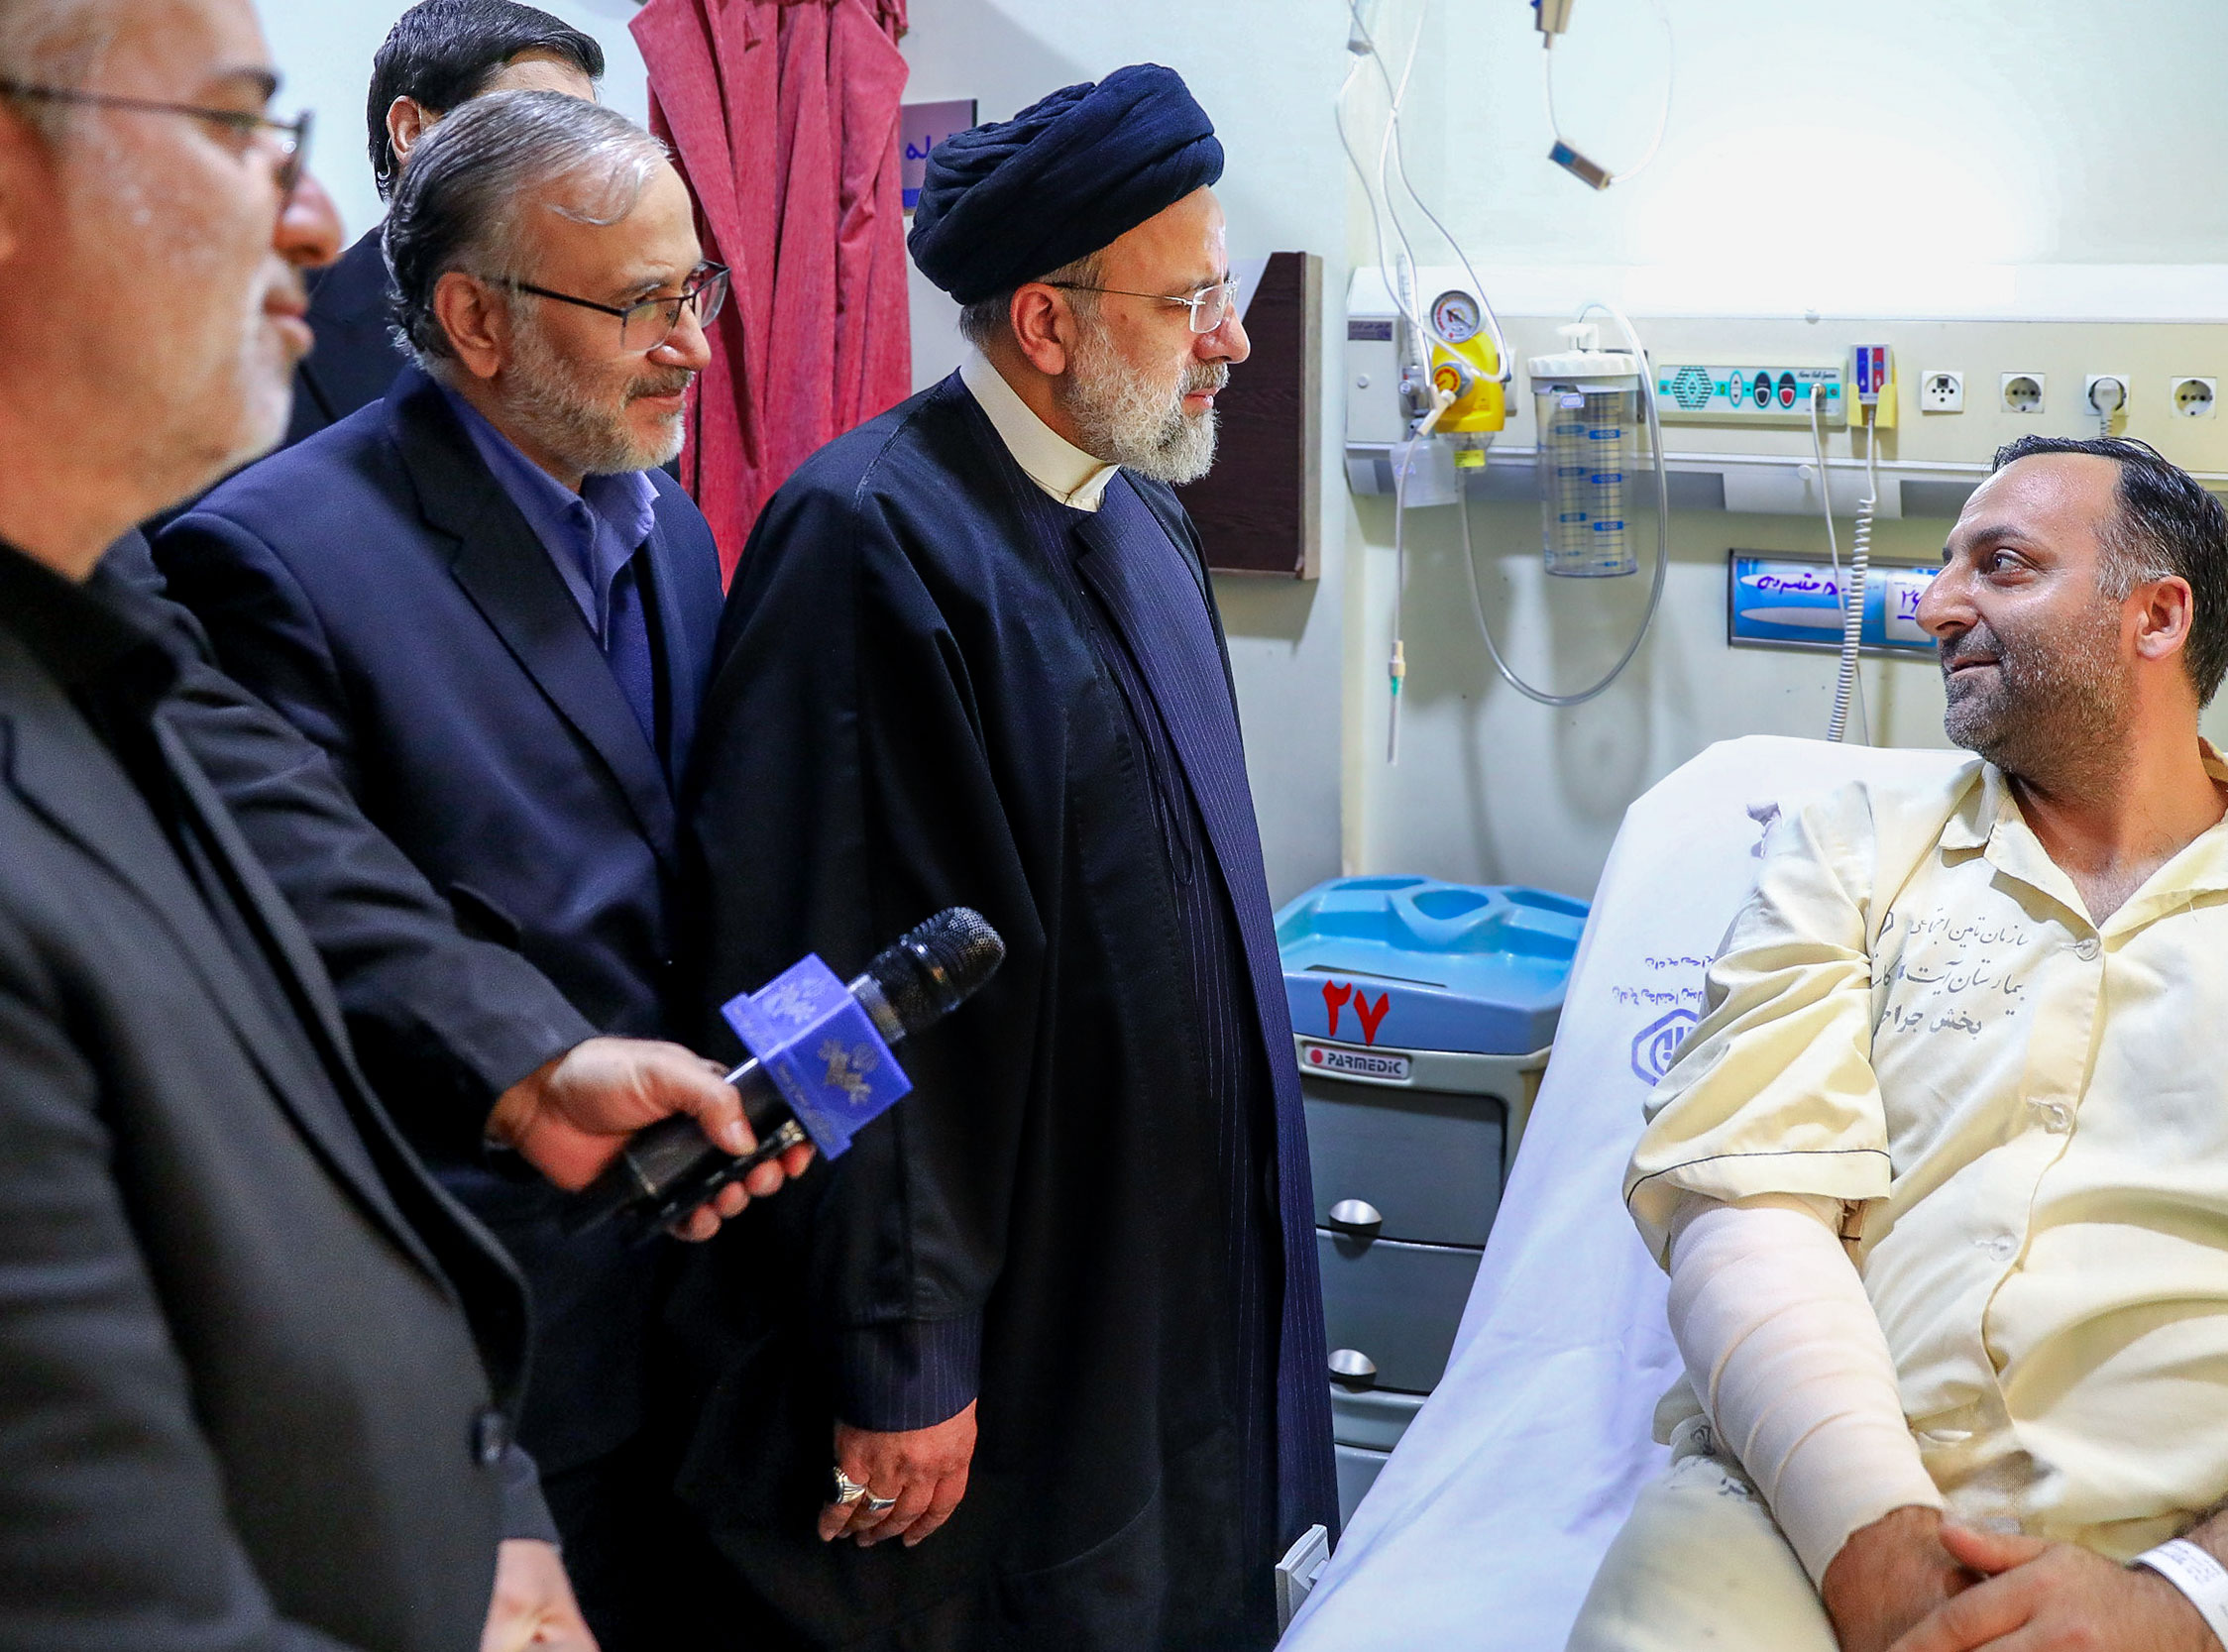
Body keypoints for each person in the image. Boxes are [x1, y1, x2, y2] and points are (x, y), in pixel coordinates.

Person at [0, 0, 760, 1645]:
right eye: (237, 128)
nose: (317, 218)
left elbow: (296, 851)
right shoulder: (262, 552)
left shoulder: (104, 607)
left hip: (593, 1347)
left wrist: (538, 1063)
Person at [1568, 435, 2228, 1652]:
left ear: (2156, 617)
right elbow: (1747, 1204)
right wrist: (1879, 1547)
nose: (1935, 605)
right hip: (1804, 1520)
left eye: (1999, 565)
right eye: (1944, 566)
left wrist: (2186, 1605)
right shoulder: (1847, 851)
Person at [677, 63, 1338, 1652]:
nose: (1232, 338)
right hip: (1024, 1313)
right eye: (1189, 301)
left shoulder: (1143, 519)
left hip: (1180, 1273)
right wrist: (902, 1349)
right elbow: (815, 983)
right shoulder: (873, 542)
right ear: (1047, 322)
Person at [288, 0, 602, 447]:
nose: (574, 170)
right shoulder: (269, 321)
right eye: (534, 130)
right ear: (413, 131)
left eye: (586, 141)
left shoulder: (609, 330)